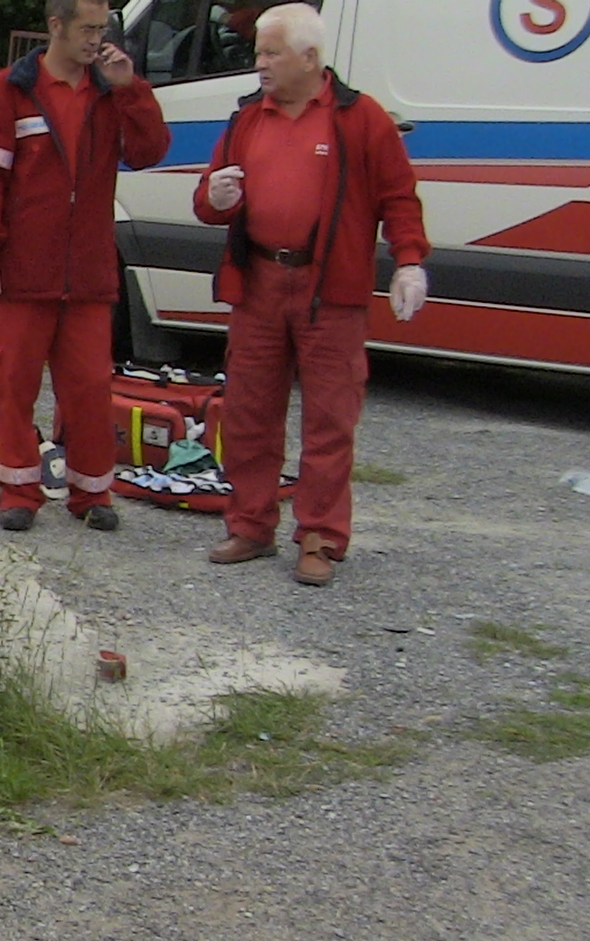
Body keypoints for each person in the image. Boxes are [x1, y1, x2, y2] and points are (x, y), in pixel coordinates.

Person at [192, 1, 428, 586]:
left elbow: (399, 198)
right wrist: (213, 197)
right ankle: (250, 524)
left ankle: (319, 536)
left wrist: (409, 263)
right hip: (260, 285)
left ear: (309, 58)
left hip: (331, 291)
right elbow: (207, 202)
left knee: (330, 418)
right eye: (258, 52)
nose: (260, 63)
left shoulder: (361, 118)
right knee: (248, 411)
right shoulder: (248, 117)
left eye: (270, 52)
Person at [0, 0, 171, 533]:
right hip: (24, 268)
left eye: (102, 29)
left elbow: (150, 151)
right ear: (55, 26)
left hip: (88, 271)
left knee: (89, 386)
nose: (96, 40)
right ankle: (18, 490)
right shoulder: (11, 87)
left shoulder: (109, 90)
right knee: (14, 381)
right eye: (87, 29)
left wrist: (131, 88)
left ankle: (92, 492)